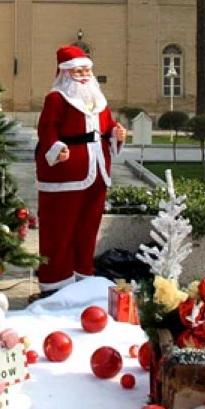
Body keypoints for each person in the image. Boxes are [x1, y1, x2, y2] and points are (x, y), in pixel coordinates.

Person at [33, 44, 127, 299]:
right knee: (61, 228)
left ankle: (84, 274)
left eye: (87, 69)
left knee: (88, 227)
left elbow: (107, 127)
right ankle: (56, 281)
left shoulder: (98, 99)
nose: (84, 74)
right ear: (65, 72)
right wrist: (55, 148)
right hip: (66, 174)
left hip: (97, 171)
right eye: (78, 71)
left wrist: (117, 133)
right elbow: (46, 130)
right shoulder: (56, 98)